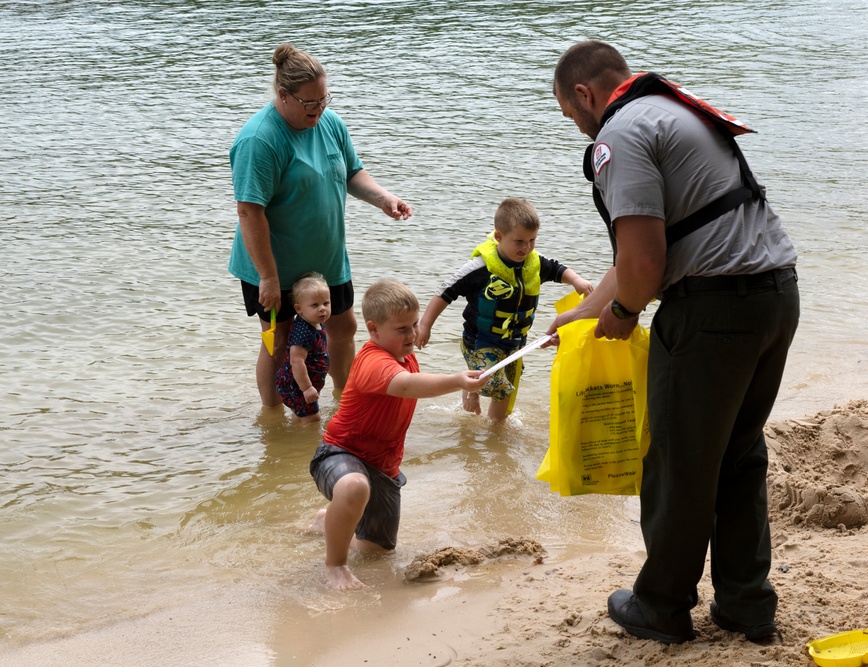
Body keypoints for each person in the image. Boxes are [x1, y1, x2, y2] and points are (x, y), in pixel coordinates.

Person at [549, 41, 800, 645]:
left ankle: (660, 605)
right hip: (775, 296)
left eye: (568, 113)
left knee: (677, 463)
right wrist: (584, 312)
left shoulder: (618, 134)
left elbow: (645, 259)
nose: (575, 125)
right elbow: (657, 241)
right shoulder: (670, 110)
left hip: (712, 312)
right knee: (739, 452)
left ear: (584, 94)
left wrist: (624, 313)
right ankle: (746, 603)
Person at [228, 43, 412, 408]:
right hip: (274, 267)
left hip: (327, 261)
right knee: (280, 342)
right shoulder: (259, 140)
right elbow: (249, 212)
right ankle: (274, 416)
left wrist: (383, 198)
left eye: (324, 99)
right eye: (310, 103)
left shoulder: (330, 122)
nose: (319, 109)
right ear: (283, 95)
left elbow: (352, 172)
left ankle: (348, 402)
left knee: (344, 329)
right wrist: (267, 277)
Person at [308, 279, 489, 589]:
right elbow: (405, 385)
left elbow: (415, 381)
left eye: (415, 325)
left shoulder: (403, 354)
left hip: (383, 469)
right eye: (402, 329)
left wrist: (468, 389)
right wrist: (458, 381)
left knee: (378, 552)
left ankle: (328, 520)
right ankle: (335, 566)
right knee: (353, 486)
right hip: (338, 454)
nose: (412, 334)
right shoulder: (372, 360)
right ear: (373, 329)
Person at [416, 197, 593, 420]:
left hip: (514, 343)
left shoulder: (533, 262)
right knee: (499, 388)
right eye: (519, 241)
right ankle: (471, 388)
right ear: (499, 236)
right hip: (479, 342)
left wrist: (576, 280)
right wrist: (425, 325)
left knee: (507, 392)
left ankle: (496, 429)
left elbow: (558, 269)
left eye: (532, 240)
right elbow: (445, 292)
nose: (527, 248)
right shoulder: (481, 268)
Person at [274, 272, 331, 423]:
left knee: (302, 416)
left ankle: (293, 435)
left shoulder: (315, 323)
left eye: (326, 303)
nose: (322, 309)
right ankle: (304, 445)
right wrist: (306, 388)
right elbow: (296, 361)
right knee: (313, 420)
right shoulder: (303, 331)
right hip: (295, 385)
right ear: (299, 309)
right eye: (315, 305)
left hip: (304, 384)